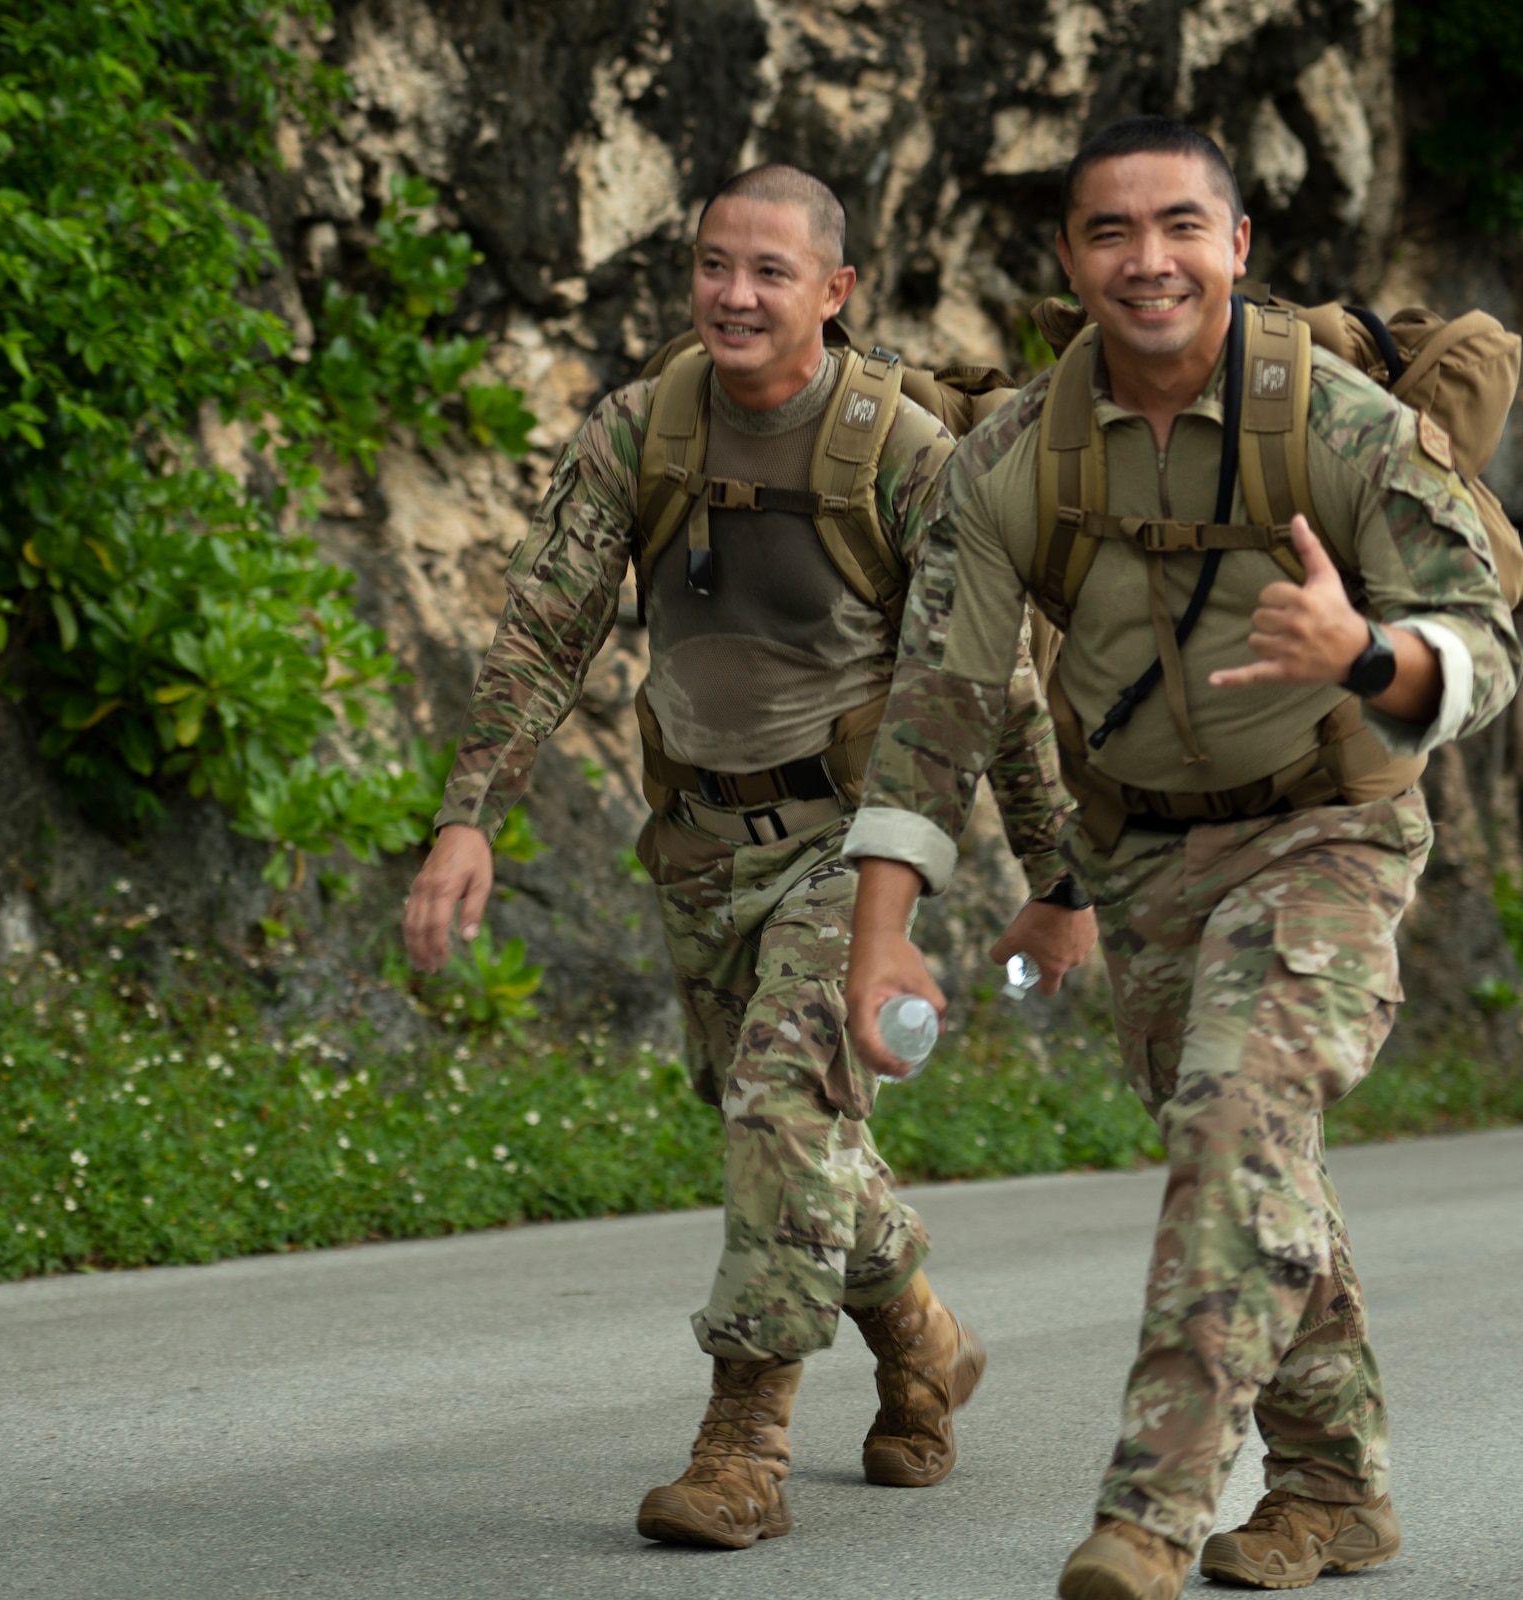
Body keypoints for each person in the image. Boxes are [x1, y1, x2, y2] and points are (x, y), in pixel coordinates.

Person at [841, 118, 1521, 1599]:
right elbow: (939, 706)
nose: (1146, 261)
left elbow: (1485, 644)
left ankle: (1149, 1512)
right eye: (1108, 233)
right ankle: (1336, 1491)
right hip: (1145, 857)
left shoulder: (1338, 425)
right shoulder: (1016, 454)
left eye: (1178, 228)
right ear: (1072, 260)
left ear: (1236, 246)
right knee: (1250, 1149)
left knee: (1234, 1117)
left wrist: (1368, 651)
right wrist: (880, 927)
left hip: (1329, 827)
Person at [401, 163, 1097, 1551]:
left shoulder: (900, 452)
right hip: (699, 844)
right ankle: (924, 1340)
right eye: (716, 265)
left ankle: (743, 1451)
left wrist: (1058, 879)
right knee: (788, 1135)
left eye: (770, 272)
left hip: (857, 849)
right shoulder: (643, 428)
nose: (735, 293)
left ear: (834, 293)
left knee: (782, 1117)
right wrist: (469, 811)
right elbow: (548, 625)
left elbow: (990, 678)